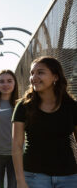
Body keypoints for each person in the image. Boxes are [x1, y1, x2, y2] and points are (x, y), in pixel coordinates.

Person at [12, 56, 77, 188]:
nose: (34, 77)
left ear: (55, 77)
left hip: (69, 176)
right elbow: (16, 145)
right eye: (32, 73)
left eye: (40, 72)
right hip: (34, 176)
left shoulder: (72, 106)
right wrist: (20, 181)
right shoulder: (23, 106)